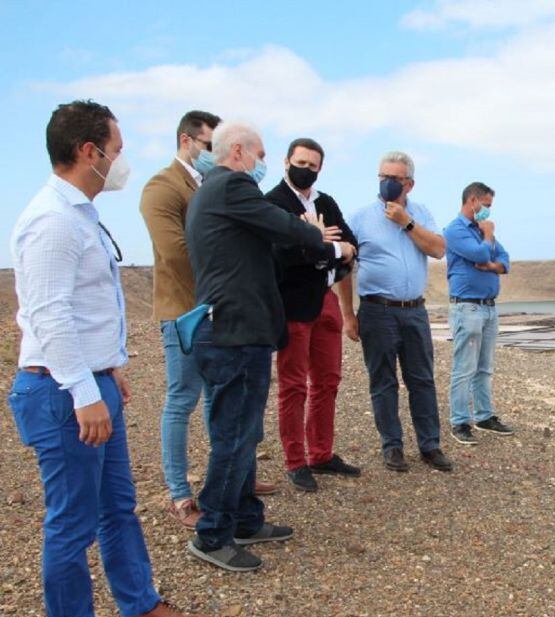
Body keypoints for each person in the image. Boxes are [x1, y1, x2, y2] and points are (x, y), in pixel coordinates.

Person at [8, 100, 211, 617]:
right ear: (87, 152)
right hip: (61, 391)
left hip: (90, 382)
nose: (121, 161)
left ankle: (139, 605)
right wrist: (83, 390)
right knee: (71, 518)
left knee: (116, 505)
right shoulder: (51, 220)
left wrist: (111, 367)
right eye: (116, 151)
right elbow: (49, 315)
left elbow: (89, 306)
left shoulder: (82, 215)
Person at [185, 121, 354, 572]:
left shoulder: (218, 191)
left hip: (245, 331)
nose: (262, 163)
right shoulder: (230, 186)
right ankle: (213, 533)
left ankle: (244, 518)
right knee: (233, 436)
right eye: (260, 154)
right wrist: (323, 240)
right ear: (239, 152)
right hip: (234, 333)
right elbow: (289, 229)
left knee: (244, 434)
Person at [140, 111, 281, 530]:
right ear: (187, 141)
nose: (211, 152)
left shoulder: (215, 184)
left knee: (226, 411)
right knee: (183, 400)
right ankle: (181, 493)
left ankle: (235, 487)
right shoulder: (162, 188)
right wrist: (227, 279)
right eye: (207, 144)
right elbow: (177, 250)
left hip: (224, 316)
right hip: (187, 309)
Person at [342, 151, 452, 473]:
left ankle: (430, 445)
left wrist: (407, 223)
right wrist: (348, 314)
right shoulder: (359, 218)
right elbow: (345, 269)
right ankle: (392, 446)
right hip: (377, 311)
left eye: (395, 179)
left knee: (422, 380)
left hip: (414, 310)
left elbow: (438, 249)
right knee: (383, 382)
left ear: (409, 183)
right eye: (383, 177)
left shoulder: (420, 213)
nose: (388, 184)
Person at [265, 138, 360, 492]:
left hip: (325, 300)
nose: (305, 169)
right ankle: (295, 460)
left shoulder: (326, 202)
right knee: (292, 386)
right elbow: (281, 253)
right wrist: (324, 245)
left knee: (328, 381)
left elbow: (352, 247)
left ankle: (321, 453)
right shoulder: (273, 203)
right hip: (292, 305)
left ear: (320, 168)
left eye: (312, 165)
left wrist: (321, 245)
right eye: (300, 162)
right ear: (286, 160)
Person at [444, 182, 514, 445]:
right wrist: (487, 236)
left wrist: (490, 267)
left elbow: (504, 259)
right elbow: (479, 252)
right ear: (472, 200)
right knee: (464, 368)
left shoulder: (481, 230)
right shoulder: (455, 230)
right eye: (486, 205)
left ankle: (484, 416)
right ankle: (459, 421)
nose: (487, 211)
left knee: (484, 367)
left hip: (488, 308)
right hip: (467, 307)